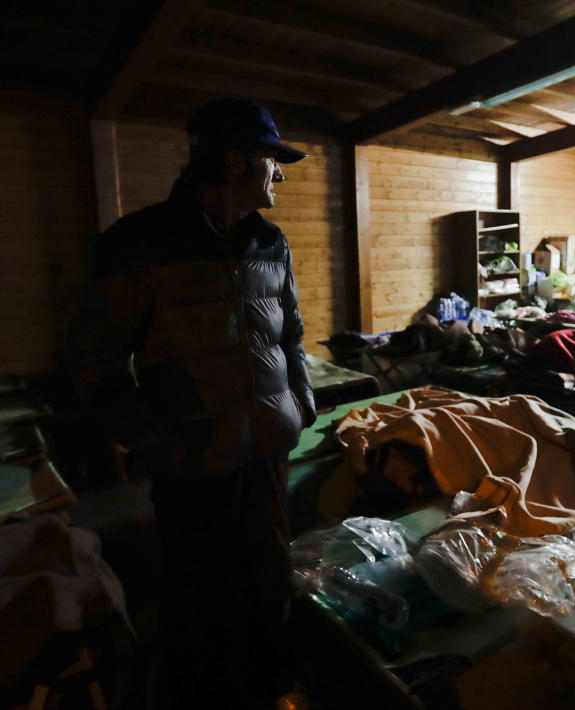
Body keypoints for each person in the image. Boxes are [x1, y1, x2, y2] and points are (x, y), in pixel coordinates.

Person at [65, 98, 316, 709]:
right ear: (233, 163)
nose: (279, 173)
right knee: (202, 600)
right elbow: (90, 363)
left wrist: (302, 404)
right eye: (270, 160)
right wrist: (161, 444)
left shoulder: (270, 242)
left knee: (267, 581)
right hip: (195, 467)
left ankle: (272, 689)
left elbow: (291, 333)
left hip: (266, 455)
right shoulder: (140, 245)